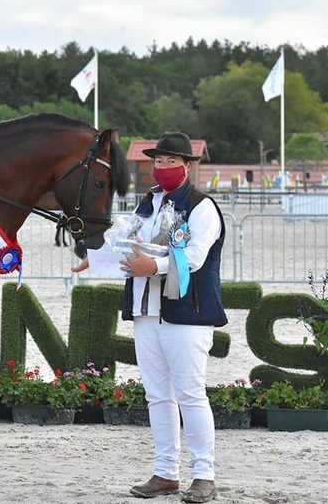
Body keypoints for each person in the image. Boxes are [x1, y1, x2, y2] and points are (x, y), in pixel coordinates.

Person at [72, 132, 226, 504]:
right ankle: (166, 472)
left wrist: (153, 265)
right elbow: (128, 240)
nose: (163, 168)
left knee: (190, 394)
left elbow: (193, 257)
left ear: (187, 166)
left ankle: (204, 475)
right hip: (146, 310)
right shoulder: (148, 203)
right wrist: (100, 257)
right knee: (158, 396)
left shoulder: (202, 207)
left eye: (171, 162)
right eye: (158, 162)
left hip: (186, 314)